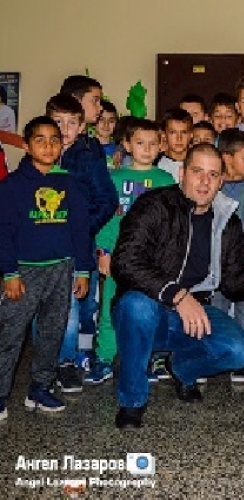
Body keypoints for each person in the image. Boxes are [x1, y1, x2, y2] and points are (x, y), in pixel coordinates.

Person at [111, 143, 244, 429]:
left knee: (239, 351)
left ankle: (181, 369)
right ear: (182, 173)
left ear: (221, 181)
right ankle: (132, 400)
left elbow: (233, 284)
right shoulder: (153, 205)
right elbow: (125, 261)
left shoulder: (228, 221)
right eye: (197, 171)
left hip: (196, 311)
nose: (204, 181)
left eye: (213, 174)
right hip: (150, 306)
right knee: (136, 306)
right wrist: (176, 294)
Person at [0, 116, 93, 417]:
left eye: (55, 140)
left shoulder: (69, 184)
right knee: (10, 334)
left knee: (53, 332)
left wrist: (82, 269)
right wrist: (10, 272)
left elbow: (80, 229)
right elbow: (3, 231)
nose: (48, 146)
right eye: (40, 140)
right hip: (23, 272)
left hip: (61, 270)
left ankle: (40, 387)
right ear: (26, 146)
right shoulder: (12, 186)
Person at [88, 119, 174, 385]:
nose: (146, 149)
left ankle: (151, 359)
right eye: (140, 143)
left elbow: (172, 222)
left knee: (152, 309)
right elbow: (107, 219)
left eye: (152, 143)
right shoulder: (114, 179)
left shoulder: (166, 180)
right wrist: (103, 251)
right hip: (119, 258)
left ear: (161, 146)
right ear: (126, 145)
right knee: (109, 309)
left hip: (152, 261)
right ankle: (104, 357)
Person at [45, 93, 117, 393]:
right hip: (43, 248)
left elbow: (108, 199)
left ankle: (70, 360)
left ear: (81, 127)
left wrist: (83, 229)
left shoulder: (87, 158)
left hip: (78, 247)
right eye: (57, 122)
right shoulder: (37, 157)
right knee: (48, 307)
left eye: (71, 123)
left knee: (77, 306)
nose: (64, 129)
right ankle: (50, 362)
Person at [212, 129, 244, 383]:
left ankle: (243, 360)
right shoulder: (213, 187)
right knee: (217, 309)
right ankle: (216, 354)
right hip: (218, 262)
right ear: (227, 158)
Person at [157, 108, 194, 182]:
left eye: (184, 132)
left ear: (191, 135)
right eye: (173, 132)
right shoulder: (154, 163)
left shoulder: (199, 162)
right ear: (164, 135)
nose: (179, 138)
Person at [95, 100, 120, 168]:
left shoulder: (119, 150)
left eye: (111, 121)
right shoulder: (85, 147)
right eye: (101, 120)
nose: (106, 125)